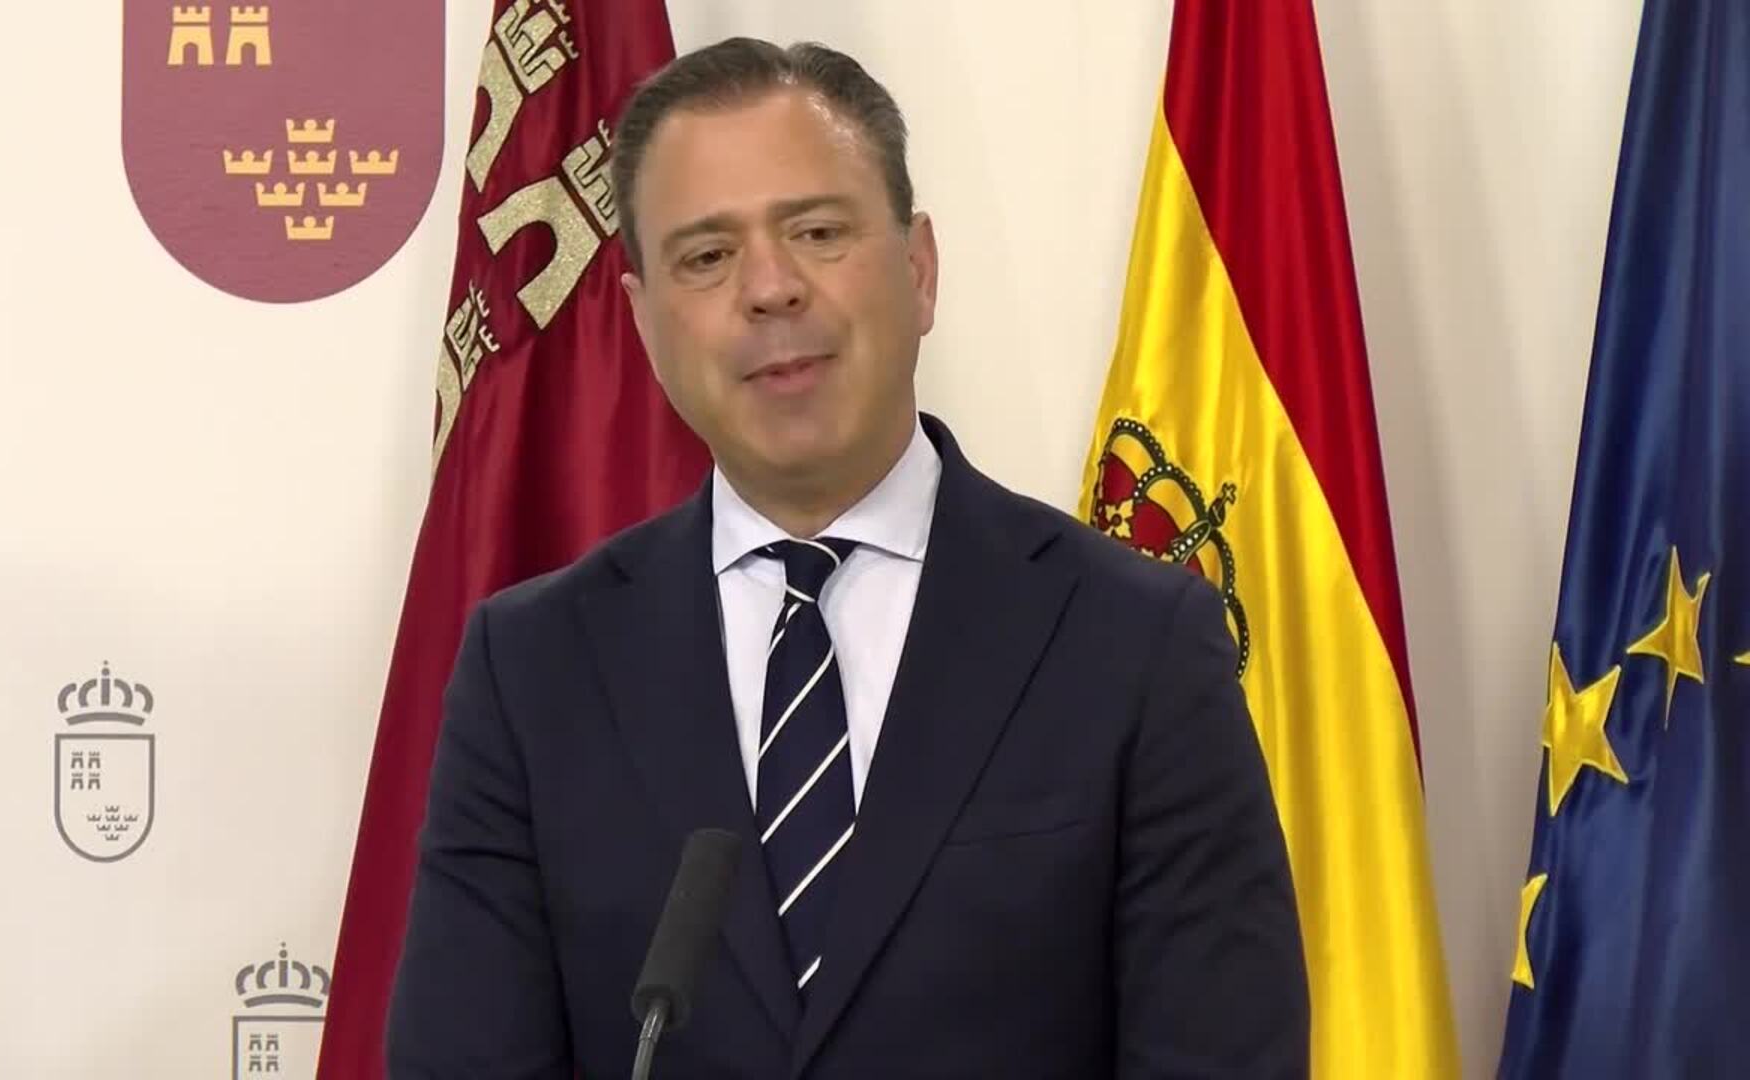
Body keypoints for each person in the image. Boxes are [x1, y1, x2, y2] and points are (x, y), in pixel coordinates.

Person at [387, 37, 1306, 1079]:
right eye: (706, 256)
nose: (770, 289)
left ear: (919, 271)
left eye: (817, 233)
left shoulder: (1135, 644)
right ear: (642, 321)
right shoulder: (533, 669)